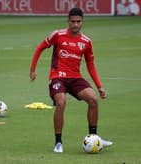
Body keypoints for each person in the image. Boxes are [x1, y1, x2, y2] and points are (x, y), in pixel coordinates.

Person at [29, 8, 113, 153]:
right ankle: (58, 143)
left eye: (78, 22)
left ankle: (94, 138)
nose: (75, 24)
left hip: (75, 78)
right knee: (61, 102)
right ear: (68, 21)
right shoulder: (57, 35)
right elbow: (39, 48)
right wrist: (32, 70)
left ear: (82, 22)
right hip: (57, 77)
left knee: (93, 99)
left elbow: (90, 65)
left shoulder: (86, 42)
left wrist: (100, 87)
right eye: (72, 21)